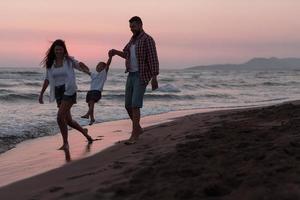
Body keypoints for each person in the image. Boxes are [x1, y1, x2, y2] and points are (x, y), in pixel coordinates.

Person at [109, 16, 159, 144]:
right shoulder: (132, 40)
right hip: (131, 74)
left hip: (141, 75)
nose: (132, 29)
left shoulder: (147, 39)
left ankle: (134, 135)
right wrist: (115, 52)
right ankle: (138, 128)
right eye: (130, 26)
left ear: (141, 25)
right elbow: (126, 54)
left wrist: (154, 78)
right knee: (128, 105)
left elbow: (153, 59)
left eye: (134, 26)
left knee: (135, 105)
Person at [39, 39, 93, 150]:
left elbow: (79, 65)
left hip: (69, 90)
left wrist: (88, 71)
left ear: (64, 50)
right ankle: (85, 133)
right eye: (56, 49)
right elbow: (47, 79)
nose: (58, 51)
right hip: (58, 92)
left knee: (59, 117)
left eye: (60, 49)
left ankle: (65, 143)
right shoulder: (50, 64)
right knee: (68, 121)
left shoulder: (69, 61)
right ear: (53, 51)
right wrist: (41, 94)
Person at [81, 56, 112, 125]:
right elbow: (87, 72)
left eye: (100, 65)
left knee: (91, 102)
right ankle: (92, 118)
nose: (97, 67)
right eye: (97, 65)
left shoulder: (103, 73)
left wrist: (110, 57)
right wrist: (81, 67)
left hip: (97, 91)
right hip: (91, 91)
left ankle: (87, 114)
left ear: (103, 68)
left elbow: (108, 64)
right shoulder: (94, 74)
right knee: (90, 104)